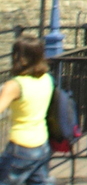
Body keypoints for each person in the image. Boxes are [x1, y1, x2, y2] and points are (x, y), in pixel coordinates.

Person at [0, 36, 54, 185]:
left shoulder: (15, 85)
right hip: (41, 144)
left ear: (19, 57)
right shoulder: (46, 78)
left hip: (21, 147)